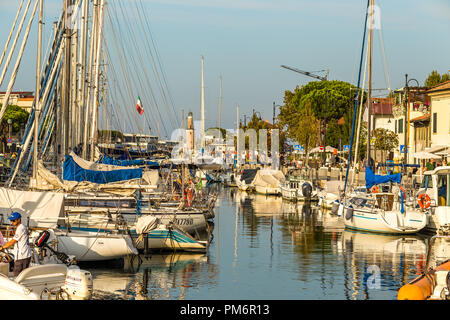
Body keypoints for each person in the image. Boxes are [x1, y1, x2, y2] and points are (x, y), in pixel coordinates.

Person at [0, 212, 32, 277]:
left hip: (22, 256)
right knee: (20, 275)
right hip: (22, 255)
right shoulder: (20, 227)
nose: (12, 222)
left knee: (17, 275)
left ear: (19, 219)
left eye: (13, 220)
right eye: (11, 220)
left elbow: (12, 241)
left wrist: (2, 247)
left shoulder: (21, 228)